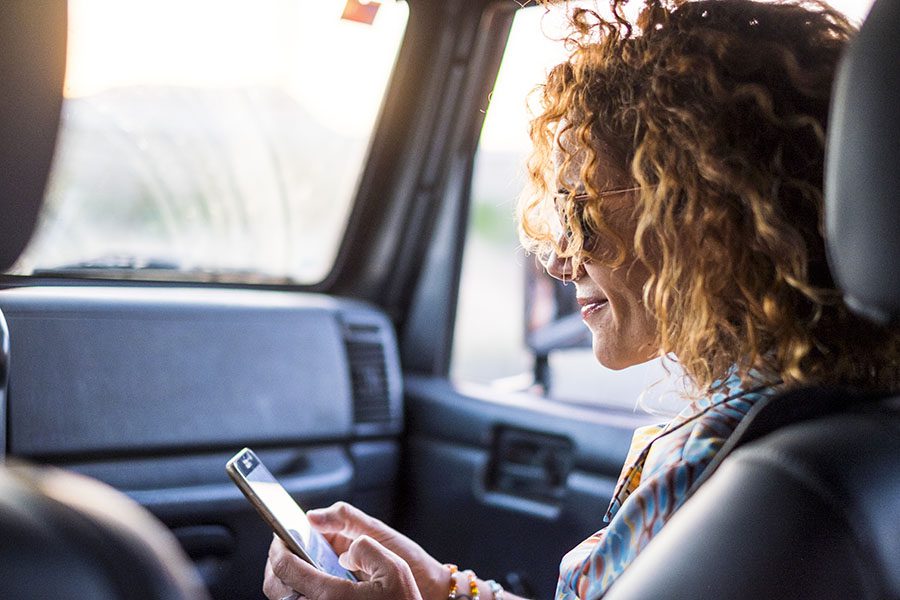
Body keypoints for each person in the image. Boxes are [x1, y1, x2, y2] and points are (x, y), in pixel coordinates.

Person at [263, 1, 900, 599]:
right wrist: (443, 587)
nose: (559, 257)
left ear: (706, 219)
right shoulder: (846, 420)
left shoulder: (712, 466)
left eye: (582, 212)